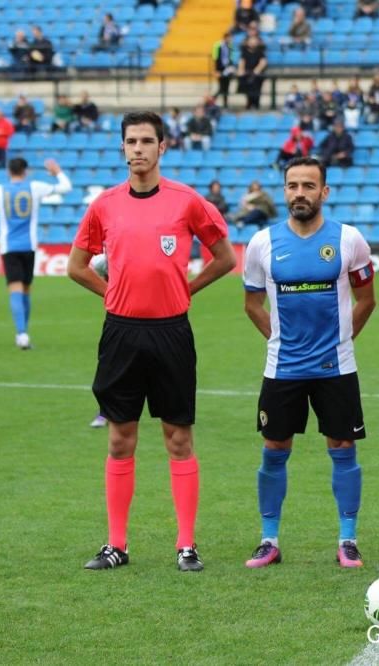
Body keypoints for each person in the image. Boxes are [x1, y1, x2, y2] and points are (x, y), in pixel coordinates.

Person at [66, 111, 237, 572]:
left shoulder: (187, 202)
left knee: (178, 436)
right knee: (121, 438)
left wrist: (188, 290)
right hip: (121, 332)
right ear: (121, 148)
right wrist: (111, 295)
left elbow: (223, 258)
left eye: (147, 141)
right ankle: (116, 546)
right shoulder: (104, 205)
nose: (138, 148)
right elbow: (76, 265)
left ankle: (186, 545)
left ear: (163, 147)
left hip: (171, 331)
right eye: (131, 141)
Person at [242, 157, 376, 570]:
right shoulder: (262, 243)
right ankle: (268, 540)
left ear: (324, 192)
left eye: (308, 185)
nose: (300, 192)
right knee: (274, 449)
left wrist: (341, 341)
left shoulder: (349, 240)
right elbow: (252, 304)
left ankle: (348, 540)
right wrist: (280, 342)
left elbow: (367, 300)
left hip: (336, 367)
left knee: (343, 447)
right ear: (284, 192)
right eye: (292, 185)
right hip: (282, 369)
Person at [0, 157, 72, 349]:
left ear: (8, 171)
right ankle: (23, 333)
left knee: (15, 289)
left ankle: (21, 334)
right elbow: (66, 187)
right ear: (26, 171)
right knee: (26, 290)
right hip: (29, 246)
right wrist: (57, 172)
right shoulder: (35, 187)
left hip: (9, 247)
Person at [212, 32, 236, 107]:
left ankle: (225, 103)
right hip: (220, 69)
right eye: (229, 38)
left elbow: (231, 58)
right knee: (222, 87)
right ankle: (212, 99)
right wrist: (216, 70)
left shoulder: (231, 46)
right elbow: (215, 58)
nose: (230, 39)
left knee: (226, 87)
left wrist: (231, 67)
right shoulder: (218, 45)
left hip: (228, 69)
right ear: (225, 38)